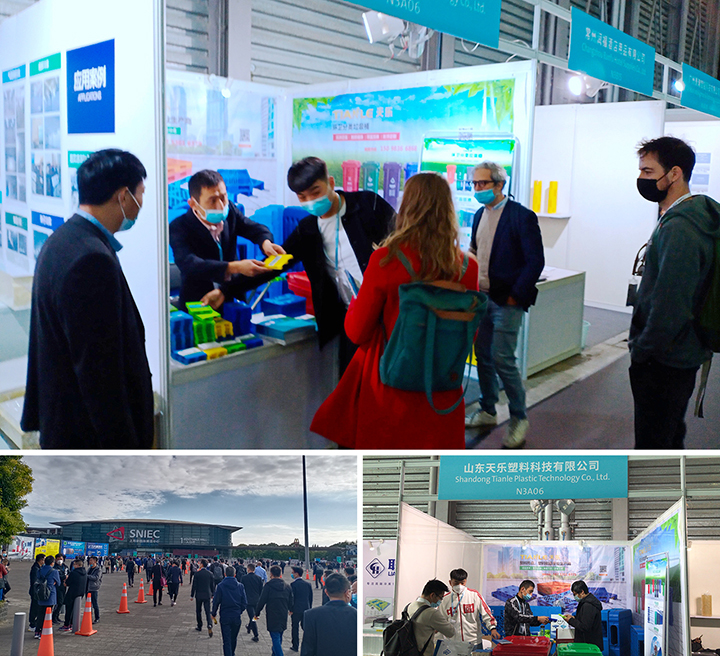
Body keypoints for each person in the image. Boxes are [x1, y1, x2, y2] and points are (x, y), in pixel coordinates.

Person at [310, 172, 480, 448]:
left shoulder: (386, 259)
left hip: (390, 385)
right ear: (449, 210)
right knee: (436, 467)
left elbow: (357, 332)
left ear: (406, 208)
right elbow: (469, 333)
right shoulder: (467, 267)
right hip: (441, 386)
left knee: (387, 468)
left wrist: (354, 304)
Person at [21, 149, 154, 449]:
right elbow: (99, 375)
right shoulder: (92, 261)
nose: (141, 203)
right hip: (87, 441)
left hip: (63, 425)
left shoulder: (63, 240)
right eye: (141, 194)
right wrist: (124, 453)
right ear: (123, 196)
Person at [250, 157, 395, 374]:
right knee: (351, 381)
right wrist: (228, 288)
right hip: (352, 321)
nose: (310, 201)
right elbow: (276, 264)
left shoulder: (367, 204)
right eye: (302, 197)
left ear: (331, 182)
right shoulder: (307, 229)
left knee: (389, 380)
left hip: (390, 315)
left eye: (315, 192)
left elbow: (404, 240)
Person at [630, 136, 720, 449]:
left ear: (675, 174)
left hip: (665, 360)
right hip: (682, 352)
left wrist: (643, 351)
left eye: (648, 171)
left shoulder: (680, 227)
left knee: (652, 444)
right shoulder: (691, 216)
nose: (641, 178)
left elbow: (671, 305)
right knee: (669, 435)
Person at [464, 162, 545, 448]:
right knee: (482, 356)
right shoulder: (479, 215)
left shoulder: (521, 216)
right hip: (482, 298)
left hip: (506, 302)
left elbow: (535, 261)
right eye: (474, 184)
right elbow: (475, 250)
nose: (477, 189)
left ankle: (519, 418)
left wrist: (515, 296)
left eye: (482, 184)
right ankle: (488, 408)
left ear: (499, 185)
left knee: (503, 359)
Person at [169, 169, 285, 311]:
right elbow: (189, 264)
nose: (220, 206)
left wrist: (266, 242)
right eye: (212, 200)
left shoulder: (230, 211)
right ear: (193, 204)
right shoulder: (179, 227)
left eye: (223, 197)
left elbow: (254, 228)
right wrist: (234, 267)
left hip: (232, 296)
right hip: (199, 302)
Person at [439, 568, 500, 645]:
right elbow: (440, 621)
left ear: (466, 581)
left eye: (462, 583)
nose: (459, 586)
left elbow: (486, 613)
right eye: (456, 583)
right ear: (450, 582)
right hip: (452, 643)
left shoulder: (474, 595)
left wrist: (492, 628)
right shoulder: (444, 599)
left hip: (474, 641)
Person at [300, 573, 355, 656]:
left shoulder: (311, 615)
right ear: (347, 592)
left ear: (326, 592)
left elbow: (307, 649)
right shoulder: (356, 615)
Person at [405, 579, 455, 655]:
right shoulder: (432, 613)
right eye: (440, 598)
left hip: (408, 652)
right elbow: (451, 632)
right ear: (432, 595)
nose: (440, 601)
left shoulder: (409, 606)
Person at [255, 565, 294, 656]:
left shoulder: (268, 586)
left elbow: (262, 600)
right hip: (283, 613)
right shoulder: (287, 586)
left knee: (275, 637)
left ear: (271, 574)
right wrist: (291, 609)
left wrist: (257, 613)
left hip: (272, 614)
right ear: (280, 574)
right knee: (279, 635)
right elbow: (291, 600)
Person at [212, 566, 248, 656]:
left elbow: (216, 601)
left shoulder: (220, 586)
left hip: (225, 615)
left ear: (225, 574)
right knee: (233, 638)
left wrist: (213, 613)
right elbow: (244, 602)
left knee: (226, 640)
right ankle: (232, 653)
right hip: (236, 616)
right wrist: (239, 611)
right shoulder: (240, 586)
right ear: (235, 575)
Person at [562, 580, 603, 649]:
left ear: (582, 592)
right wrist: (574, 618)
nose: (574, 596)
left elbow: (585, 627)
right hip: (587, 643)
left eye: (575, 594)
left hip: (589, 645)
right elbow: (585, 619)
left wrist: (571, 620)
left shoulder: (588, 605)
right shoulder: (585, 602)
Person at [35, 555, 61, 639]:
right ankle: (44, 631)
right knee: (48, 614)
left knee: (40, 614)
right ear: (52, 563)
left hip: (41, 593)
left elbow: (37, 579)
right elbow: (58, 583)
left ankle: (37, 631)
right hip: (50, 594)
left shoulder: (40, 570)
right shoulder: (54, 571)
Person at [290, 566, 313, 652]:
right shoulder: (308, 584)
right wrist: (309, 608)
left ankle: (295, 645)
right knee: (305, 628)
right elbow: (310, 598)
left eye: (293, 573)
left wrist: (291, 609)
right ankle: (309, 644)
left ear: (296, 574)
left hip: (296, 609)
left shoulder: (293, 585)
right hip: (306, 608)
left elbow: (292, 598)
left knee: (295, 627)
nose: (292, 574)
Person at [191, 559, 216, 636]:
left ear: (201, 564)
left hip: (199, 595)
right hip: (207, 595)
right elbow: (212, 585)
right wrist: (213, 594)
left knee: (198, 610)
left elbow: (194, 585)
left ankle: (199, 625)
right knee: (207, 611)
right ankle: (209, 624)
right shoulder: (210, 574)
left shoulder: (197, 574)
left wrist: (192, 595)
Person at [60, 559, 86, 633]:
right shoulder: (85, 572)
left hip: (72, 593)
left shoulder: (74, 573)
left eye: (74, 564)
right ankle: (73, 624)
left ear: (77, 565)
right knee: (76, 609)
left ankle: (67, 624)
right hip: (81, 593)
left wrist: (65, 582)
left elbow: (67, 583)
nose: (73, 566)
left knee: (69, 609)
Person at [242, 562, 263, 643]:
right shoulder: (259, 578)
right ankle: (249, 626)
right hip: (256, 600)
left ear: (248, 569)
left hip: (248, 600)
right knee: (253, 615)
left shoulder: (244, 578)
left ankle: (256, 635)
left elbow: (242, 589)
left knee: (252, 617)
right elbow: (261, 590)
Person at [28, 554, 45, 633]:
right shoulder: (35, 568)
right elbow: (35, 581)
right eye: (44, 559)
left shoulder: (39, 567)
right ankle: (32, 624)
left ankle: (34, 623)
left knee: (37, 607)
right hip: (35, 591)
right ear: (41, 560)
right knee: (34, 607)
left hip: (36, 590)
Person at [86, 556, 102, 623]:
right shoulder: (89, 569)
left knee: (94, 604)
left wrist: (87, 576)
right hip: (87, 588)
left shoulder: (98, 569)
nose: (90, 562)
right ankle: (89, 617)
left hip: (94, 588)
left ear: (95, 561)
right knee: (88, 604)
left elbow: (96, 578)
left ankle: (97, 618)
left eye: (91, 560)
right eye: (89, 560)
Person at [52, 555, 68, 624]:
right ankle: (54, 617)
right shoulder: (54, 567)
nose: (60, 560)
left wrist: (67, 579)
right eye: (58, 559)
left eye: (61, 559)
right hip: (57, 587)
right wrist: (64, 577)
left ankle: (57, 616)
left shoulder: (65, 567)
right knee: (59, 602)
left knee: (61, 602)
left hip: (64, 586)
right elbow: (57, 576)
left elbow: (69, 573)